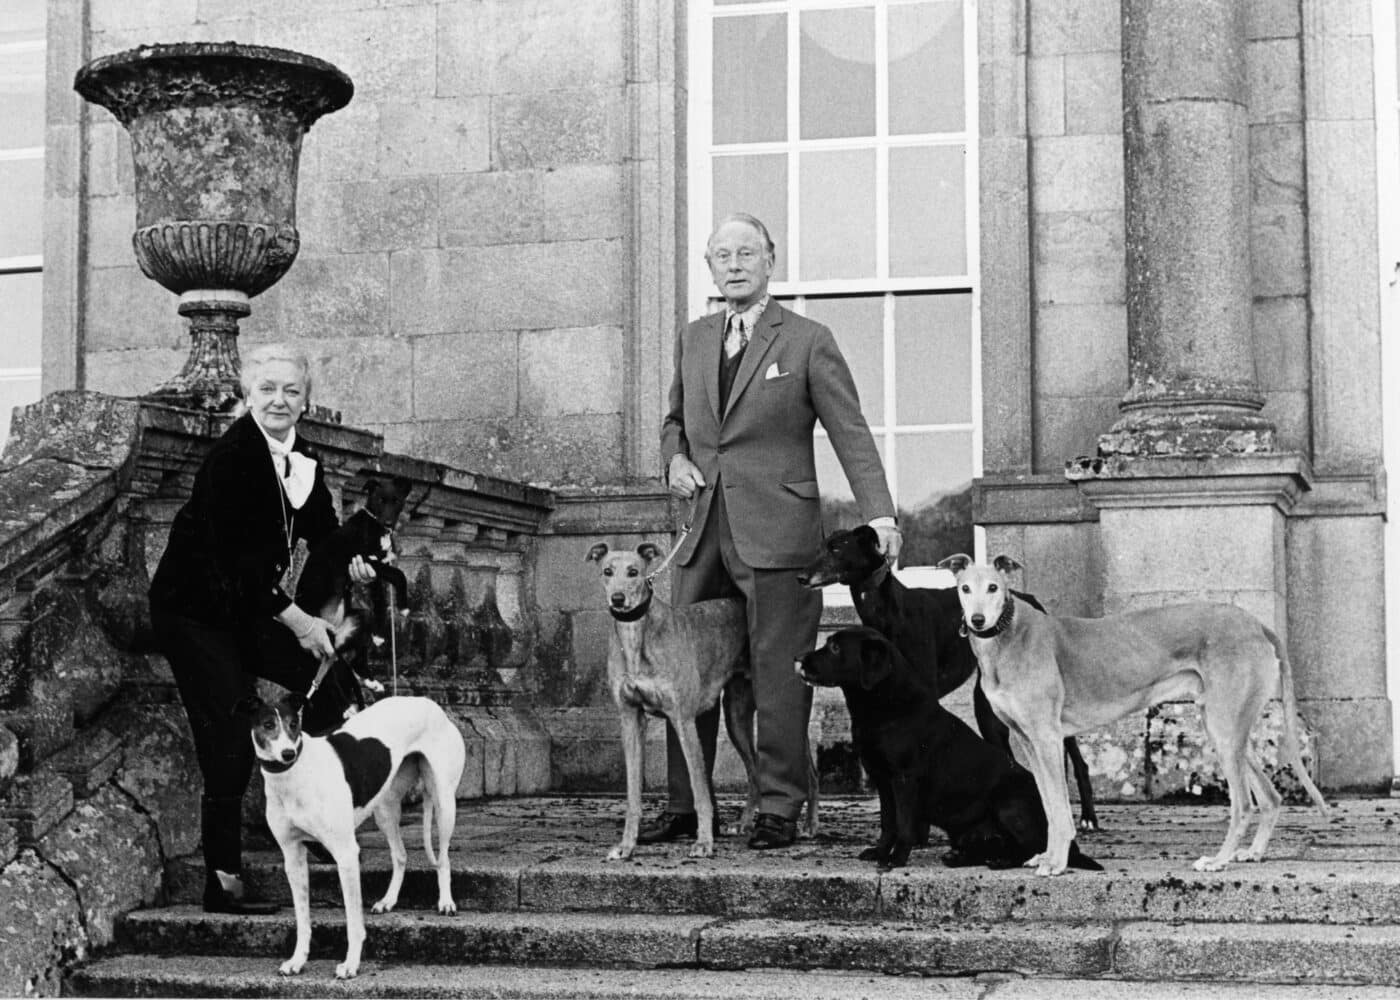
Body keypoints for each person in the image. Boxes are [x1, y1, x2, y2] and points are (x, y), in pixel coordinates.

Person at [652, 213, 902, 850]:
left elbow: (852, 432)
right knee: (687, 666)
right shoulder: (694, 337)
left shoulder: (808, 340)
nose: (733, 265)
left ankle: (779, 807)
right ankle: (686, 806)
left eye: (746, 253)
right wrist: (673, 459)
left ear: (770, 260)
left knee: (778, 671)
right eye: (721, 256)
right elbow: (675, 421)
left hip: (781, 531)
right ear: (710, 267)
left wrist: (879, 515)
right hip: (702, 527)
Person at [148, 344, 376, 913]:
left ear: (305, 401)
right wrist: (299, 620)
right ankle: (222, 882)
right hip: (195, 613)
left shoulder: (302, 456)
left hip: (246, 609)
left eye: (291, 391)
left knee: (328, 684)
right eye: (268, 389)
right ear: (249, 395)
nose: (279, 400)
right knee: (230, 733)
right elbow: (236, 566)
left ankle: (321, 822)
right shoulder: (230, 459)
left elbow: (326, 535)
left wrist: (365, 559)